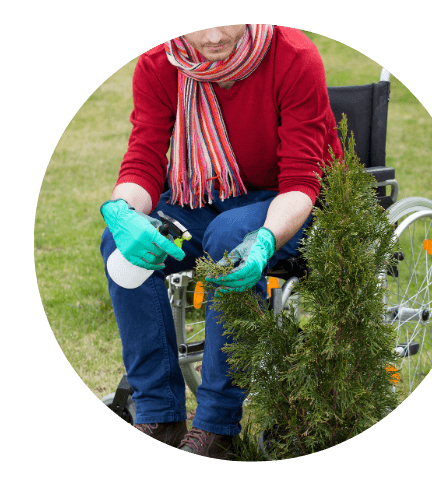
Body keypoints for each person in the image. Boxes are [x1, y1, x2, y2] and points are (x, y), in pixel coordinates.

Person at [100, 24, 342, 460]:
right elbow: (144, 162)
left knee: (232, 234)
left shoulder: (293, 56)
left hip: (288, 200)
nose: (212, 39)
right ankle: (159, 413)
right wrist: (120, 211)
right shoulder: (160, 63)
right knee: (119, 243)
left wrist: (266, 238)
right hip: (204, 193)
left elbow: (302, 180)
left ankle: (215, 429)